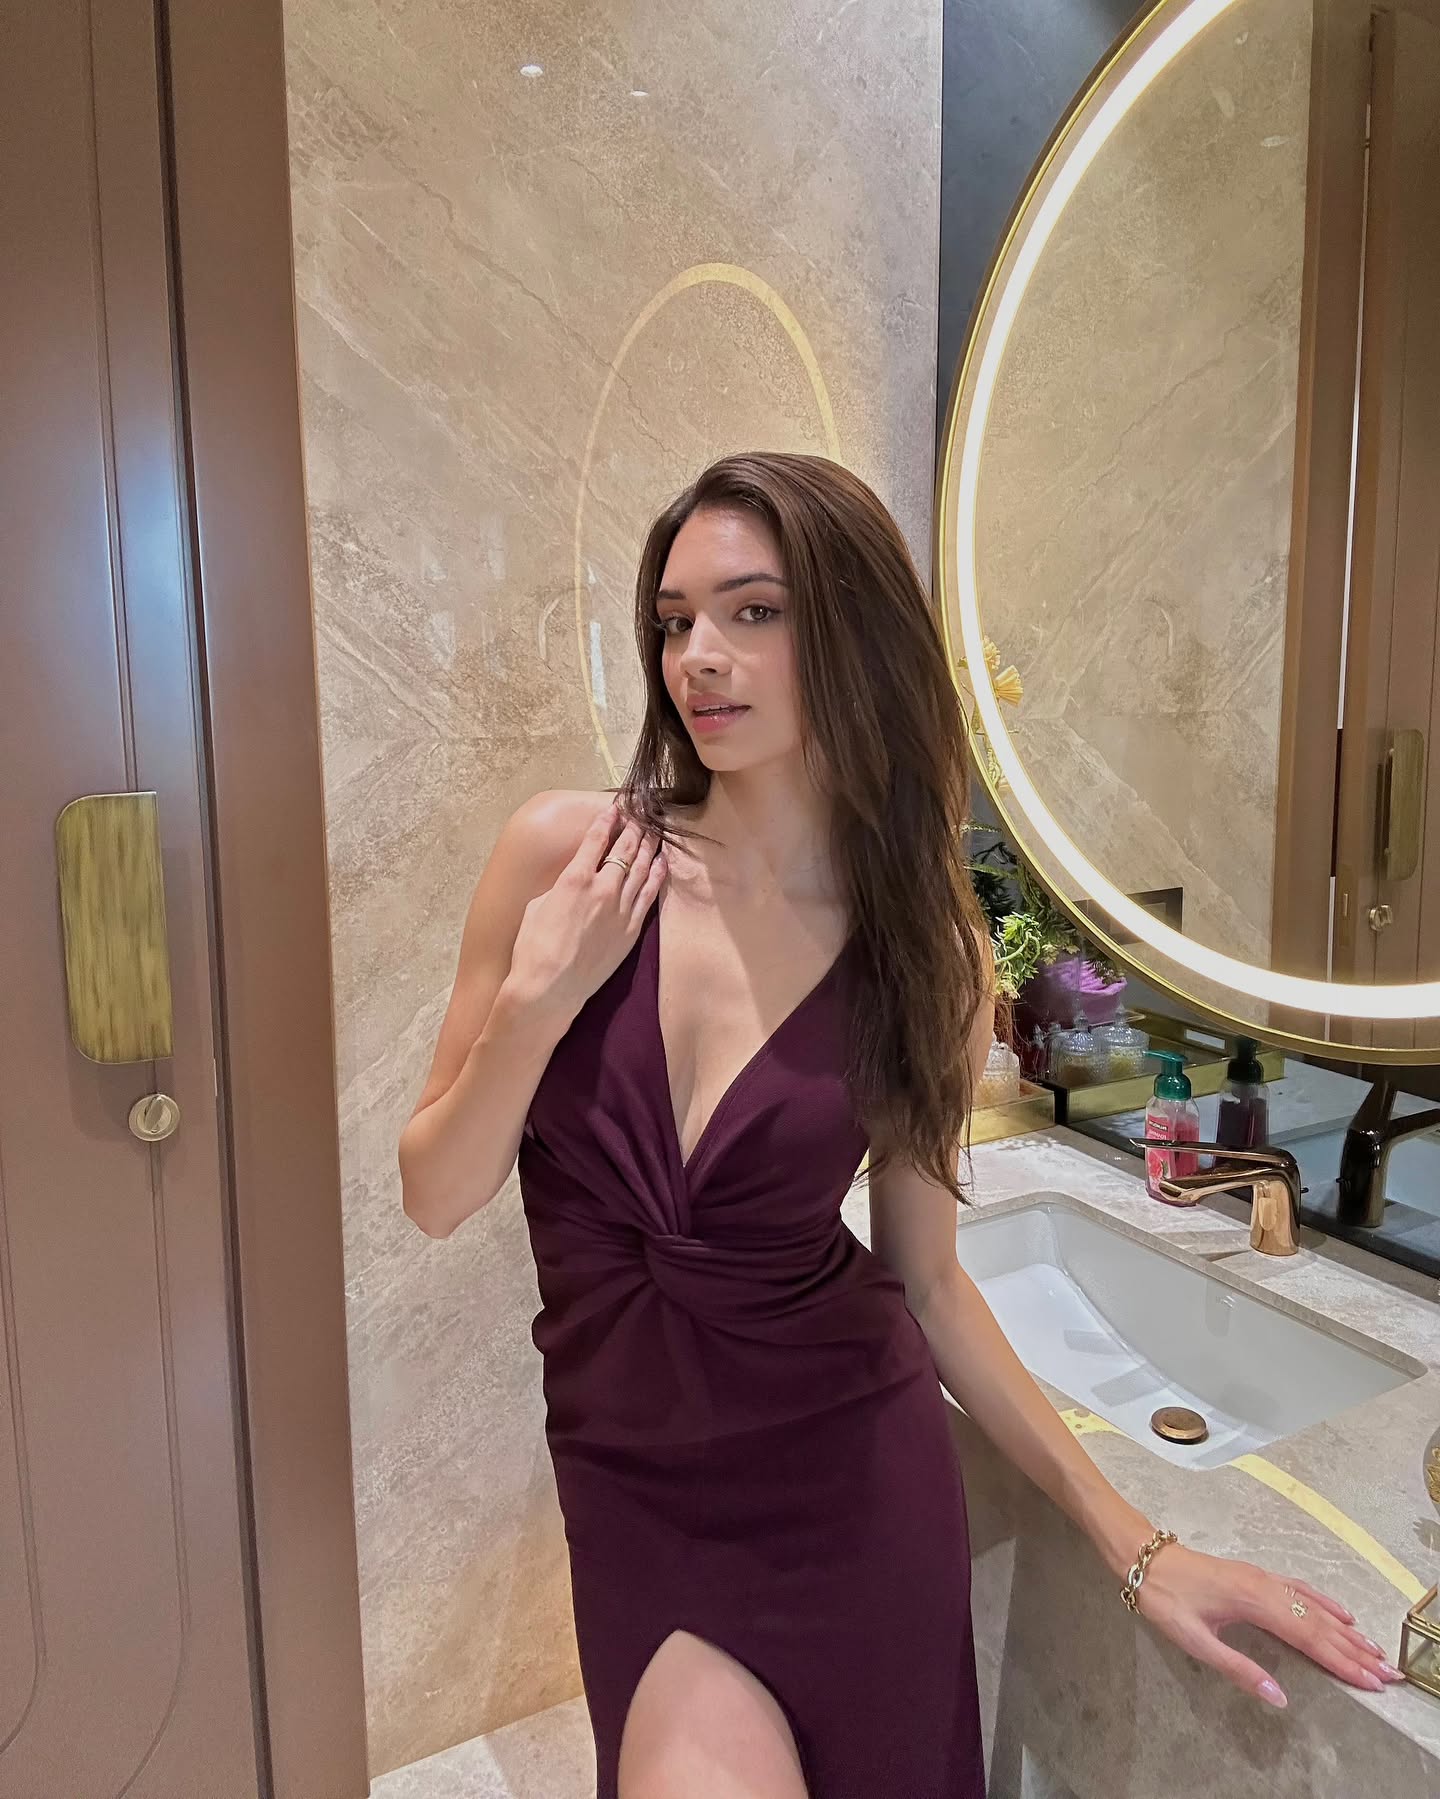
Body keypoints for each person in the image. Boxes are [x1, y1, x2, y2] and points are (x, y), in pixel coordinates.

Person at [398, 453, 1401, 1799]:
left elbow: (929, 1282)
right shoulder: (568, 860)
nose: (701, 656)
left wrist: (1142, 1547)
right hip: (632, 1487)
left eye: (755, 612)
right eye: (677, 619)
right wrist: (540, 997)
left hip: (851, 1478)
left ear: (851, 632)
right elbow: (434, 1190)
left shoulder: (928, 952)